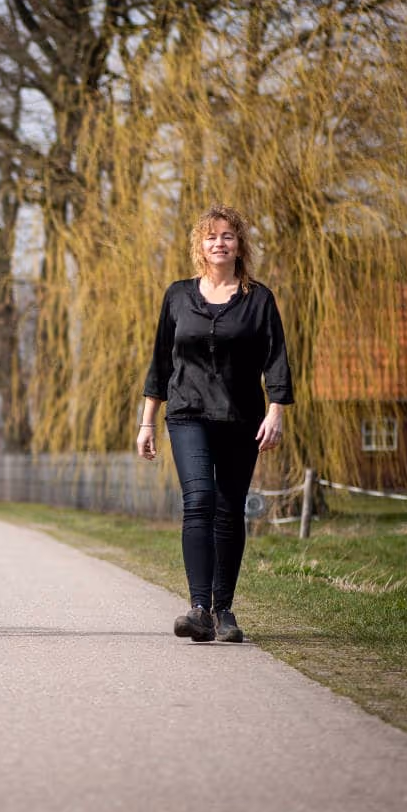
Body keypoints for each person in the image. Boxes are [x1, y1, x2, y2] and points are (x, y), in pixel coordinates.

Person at [137, 203, 293, 643]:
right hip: (187, 414)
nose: (219, 243)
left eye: (227, 235)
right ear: (199, 246)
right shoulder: (178, 295)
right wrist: (148, 422)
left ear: (239, 244)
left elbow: (276, 359)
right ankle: (199, 608)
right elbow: (159, 362)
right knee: (199, 500)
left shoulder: (258, 299)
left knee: (229, 511)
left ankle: (224, 611)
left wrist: (276, 411)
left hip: (241, 416)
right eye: (211, 236)